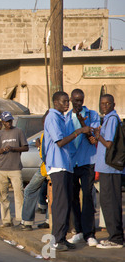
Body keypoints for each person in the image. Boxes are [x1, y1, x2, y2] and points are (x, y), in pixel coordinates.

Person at [44, 91, 92, 251]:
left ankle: (62, 238)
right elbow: (59, 142)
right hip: (57, 165)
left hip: (66, 164)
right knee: (60, 204)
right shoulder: (52, 117)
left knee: (66, 203)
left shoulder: (61, 117)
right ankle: (56, 240)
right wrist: (78, 131)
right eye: (64, 101)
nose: (67, 104)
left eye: (67, 102)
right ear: (55, 102)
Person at [65, 89, 100, 247]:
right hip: (71, 163)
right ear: (71, 99)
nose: (79, 103)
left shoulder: (92, 115)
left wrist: (83, 123)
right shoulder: (65, 117)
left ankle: (89, 233)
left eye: (81, 100)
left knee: (87, 196)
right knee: (72, 197)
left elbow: (93, 139)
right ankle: (78, 231)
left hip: (87, 161)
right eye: (76, 100)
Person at [93, 94, 124, 249]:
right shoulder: (108, 118)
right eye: (102, 103)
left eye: (107, 103)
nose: (104, 106)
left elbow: (109, 144)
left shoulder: (112, 119)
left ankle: (116, 239)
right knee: (107, 203)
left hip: (110, 168)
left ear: (113, 104)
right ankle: (114, 236)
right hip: (106, 168)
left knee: (110, 203)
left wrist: (99, 136)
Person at [0, 111, 28, 227]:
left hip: (15, 168)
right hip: (2, 168)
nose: (9, 123)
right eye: (7, 121)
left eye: (10, 120)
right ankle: (7, 220)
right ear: (2, 122)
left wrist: (13, 148)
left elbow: (25, 148)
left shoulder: (19, 132)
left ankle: (21, 219)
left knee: (19, 194)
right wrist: (3, 150)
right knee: (3, 195)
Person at [19, 111, 49, 231]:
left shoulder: (46, 134)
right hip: (52, 169)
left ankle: (27, 222)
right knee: (51, 195)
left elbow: (44, 156)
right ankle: (48, 220)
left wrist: (38, 146)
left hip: (45, 170)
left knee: (29, 191)